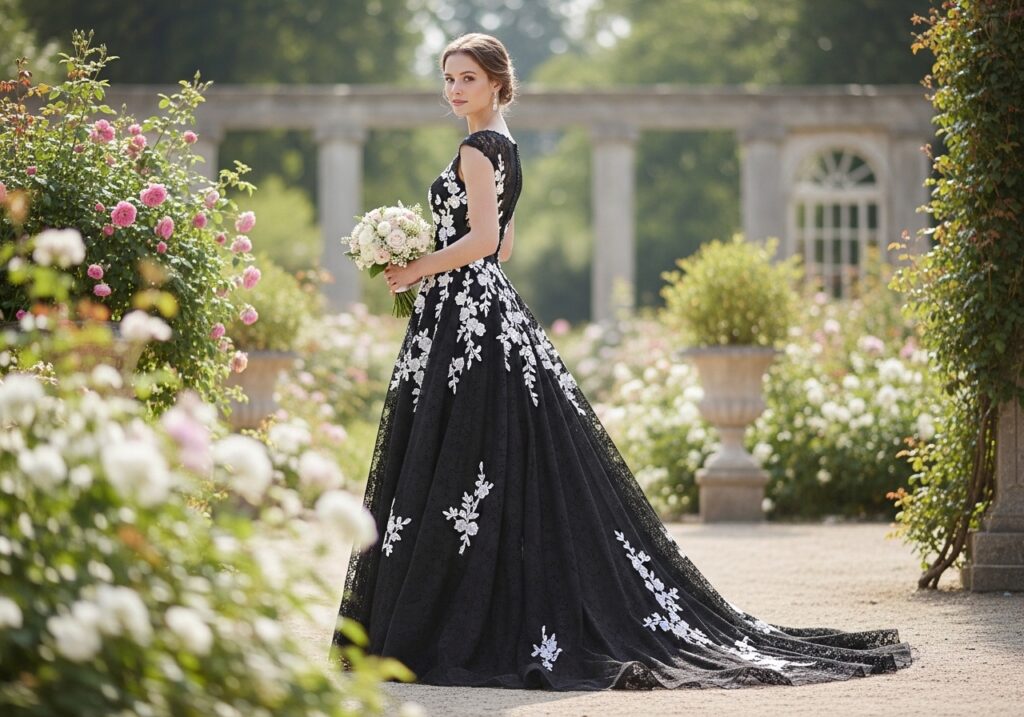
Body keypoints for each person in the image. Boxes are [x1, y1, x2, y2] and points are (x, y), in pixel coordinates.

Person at [329, 32, 913, 690]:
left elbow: (487, 241)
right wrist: (437, 256)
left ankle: (447, 618)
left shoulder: (474, 148)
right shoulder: (507, 146)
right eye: (447, 78)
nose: (454, 89)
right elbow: (506, 244)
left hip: (467, 318)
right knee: (485, 462)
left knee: (467, 458)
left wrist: (417, 266)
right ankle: (473, 605)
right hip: (481, 310)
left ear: (496, 81)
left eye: (467, 77)